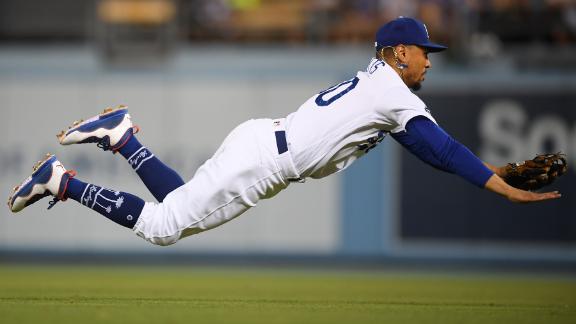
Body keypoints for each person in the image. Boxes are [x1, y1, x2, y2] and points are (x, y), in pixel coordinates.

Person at [7, 17, 561, 246]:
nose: (429, 62)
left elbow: (429, 150)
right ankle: (62, 181)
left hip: (261, 141)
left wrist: (492, 171)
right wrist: (503, 188)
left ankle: (123, 137)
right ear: (397, 54)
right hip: (266, 162)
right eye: (423, 53)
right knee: (161, 227)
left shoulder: (385, 90)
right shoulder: (393, 91)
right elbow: (442, 149)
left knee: (177, 202)